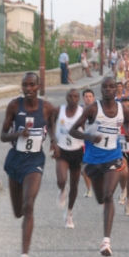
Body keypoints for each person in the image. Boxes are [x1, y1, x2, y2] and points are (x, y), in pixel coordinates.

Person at [0, 72, 58, 257]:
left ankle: (24, 256)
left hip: (34, 161)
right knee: (18, 211)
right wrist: (18, 133)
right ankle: (24, 243)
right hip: (16, 160)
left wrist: (54, 141)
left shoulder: (47, 108)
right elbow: (2, 135)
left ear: (38, 86)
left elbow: (51, 125)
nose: (28, 88)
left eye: (32, 85)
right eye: (25, 85)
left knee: (29, 204)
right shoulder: (15, 106)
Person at [69, 77, 129, 256]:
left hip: (113, 156)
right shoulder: (93, 109)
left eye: (112, 87)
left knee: (108, 194)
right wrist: (89, 138)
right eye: (105, 87)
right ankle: (106, 231)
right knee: (100, 199)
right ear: (101, 90)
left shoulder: (123, 109)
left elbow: (127, 121)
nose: (109, 89)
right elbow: (74, 130)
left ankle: (106, 241)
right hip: (93, 160)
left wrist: (127, 132)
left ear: (116, 90)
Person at [54, 89, 84, 228]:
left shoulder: (82, 112)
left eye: (75, 96)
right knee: (61, 180)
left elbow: (88, 129)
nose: (73, 98)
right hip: (62, 151)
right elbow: (49, 123)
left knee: (74, 185)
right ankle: (61, 190)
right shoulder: (59, 111)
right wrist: (53, 141)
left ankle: (69, 213)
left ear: (78, 98)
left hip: (77, 151)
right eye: (70, 96)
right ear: (66, 97)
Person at [81, 89, 95, 198]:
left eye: (90, 96)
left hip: (94, 142)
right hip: (81, 142)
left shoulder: (98, 111)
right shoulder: (79, 111)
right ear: (83, 98)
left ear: (93, 98)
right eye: (86, 96)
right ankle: (89, 189)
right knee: (83, 168)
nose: (88, 98)